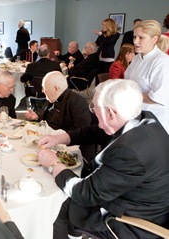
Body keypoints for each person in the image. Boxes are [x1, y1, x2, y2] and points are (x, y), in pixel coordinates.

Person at [37, 79, 169, 238]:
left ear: (111, 113)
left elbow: (85, 193)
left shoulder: (129, 152)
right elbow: (98, 131)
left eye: (94, 109)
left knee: (57, 206)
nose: (93, 113)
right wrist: (61, 138)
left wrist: (53, 164)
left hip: (130, 221)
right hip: (142, 201)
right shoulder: (143, 119)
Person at [25, 71, 95, 161]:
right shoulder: (52, 97)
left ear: (55, 89)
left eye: (44, 87)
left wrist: (55, 138)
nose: (42, 91)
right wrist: (37, 117)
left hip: (68, 152)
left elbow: (80, 132)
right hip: (48, 143)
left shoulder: (77, 102)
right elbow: (48, 120)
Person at [125, 20, 169, 134]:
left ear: (154, 39)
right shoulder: (136, 58)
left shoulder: (162, 61)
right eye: (134, 37)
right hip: (134, 116)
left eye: (141, 37)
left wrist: (127, 95)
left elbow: (157, 97)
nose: (135, 41)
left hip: (154, 121)